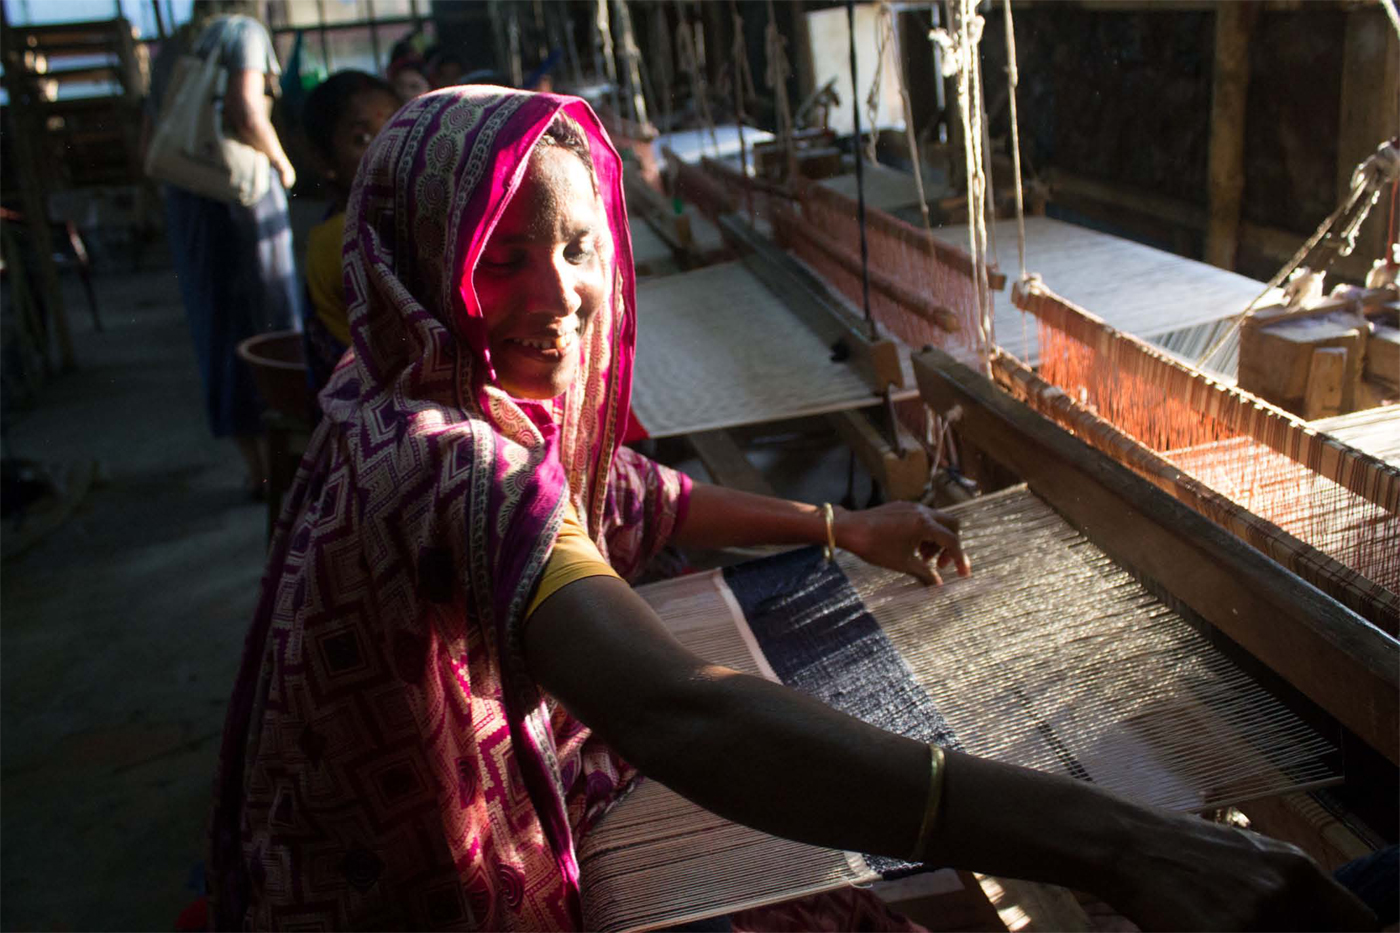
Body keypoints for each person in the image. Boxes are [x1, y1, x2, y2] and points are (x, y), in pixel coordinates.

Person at [208, 87, 1373, 931]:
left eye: (574, 248)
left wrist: (842, 528)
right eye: (498, 258)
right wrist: (1116, 840)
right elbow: (684, 718)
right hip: (424, 892)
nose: (558, 295)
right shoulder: (455, 463)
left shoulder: (384, 380)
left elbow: (629, 492)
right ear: (422, 258)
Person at [147, 5, 301, 495]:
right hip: (239, 197)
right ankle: (288, 464)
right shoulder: (243, 32)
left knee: (215, 323)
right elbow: (246, 109)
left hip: (189, 196)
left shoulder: (175, 43)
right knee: (271, 320)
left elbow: (150, 132)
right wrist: (282, 162)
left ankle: (254, 467)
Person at [299, 71, 401, 393]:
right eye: (362, 139)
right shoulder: (346, 237)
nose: (388, 150)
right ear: (324, 160)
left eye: (396, 129)